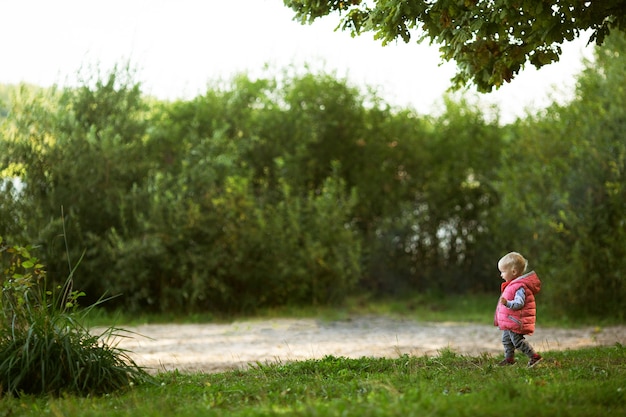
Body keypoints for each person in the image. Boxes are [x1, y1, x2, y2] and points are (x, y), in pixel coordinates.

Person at [494, 251, 543, 368]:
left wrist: (507, 303)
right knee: (506, 341)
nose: (501, 275)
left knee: (517, 341)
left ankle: (534, 357)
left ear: (514, 271)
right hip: (510, 321)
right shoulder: (512, 285)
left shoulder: (519, 287)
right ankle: (509, 359)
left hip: (516, 321)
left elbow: (519, 304)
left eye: (503, 272)